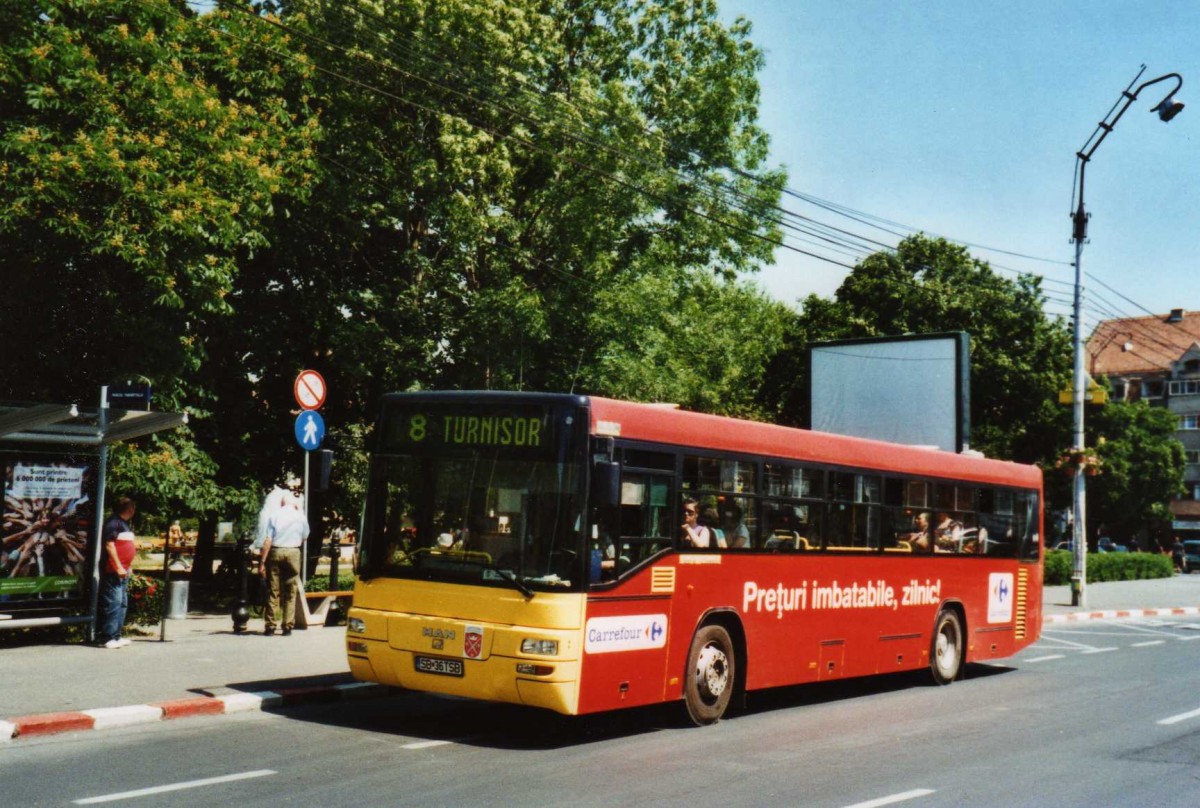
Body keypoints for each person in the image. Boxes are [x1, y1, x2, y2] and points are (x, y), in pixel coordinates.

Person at [260, 491, 309, 636]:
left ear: (282, 503)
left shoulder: (274, 515)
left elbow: (268, 540)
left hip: (276, 550)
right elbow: (305, 536)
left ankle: (270, 625)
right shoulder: (300, 516)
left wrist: (262, 562)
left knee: (273, 590)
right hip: (293, 552)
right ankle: (287, 626)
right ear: (293, 504)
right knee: (290, 590)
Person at [96, 497, 137, 649]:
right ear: (129, 508)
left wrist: (127, 566)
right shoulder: (114, 522)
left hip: (123, 569)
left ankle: (116, 635)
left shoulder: (124, 524)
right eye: (132, 507)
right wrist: (118, 566)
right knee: (113, 601)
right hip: (113, 570)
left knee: (122, 602)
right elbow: (110, 545)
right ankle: (107, 637)